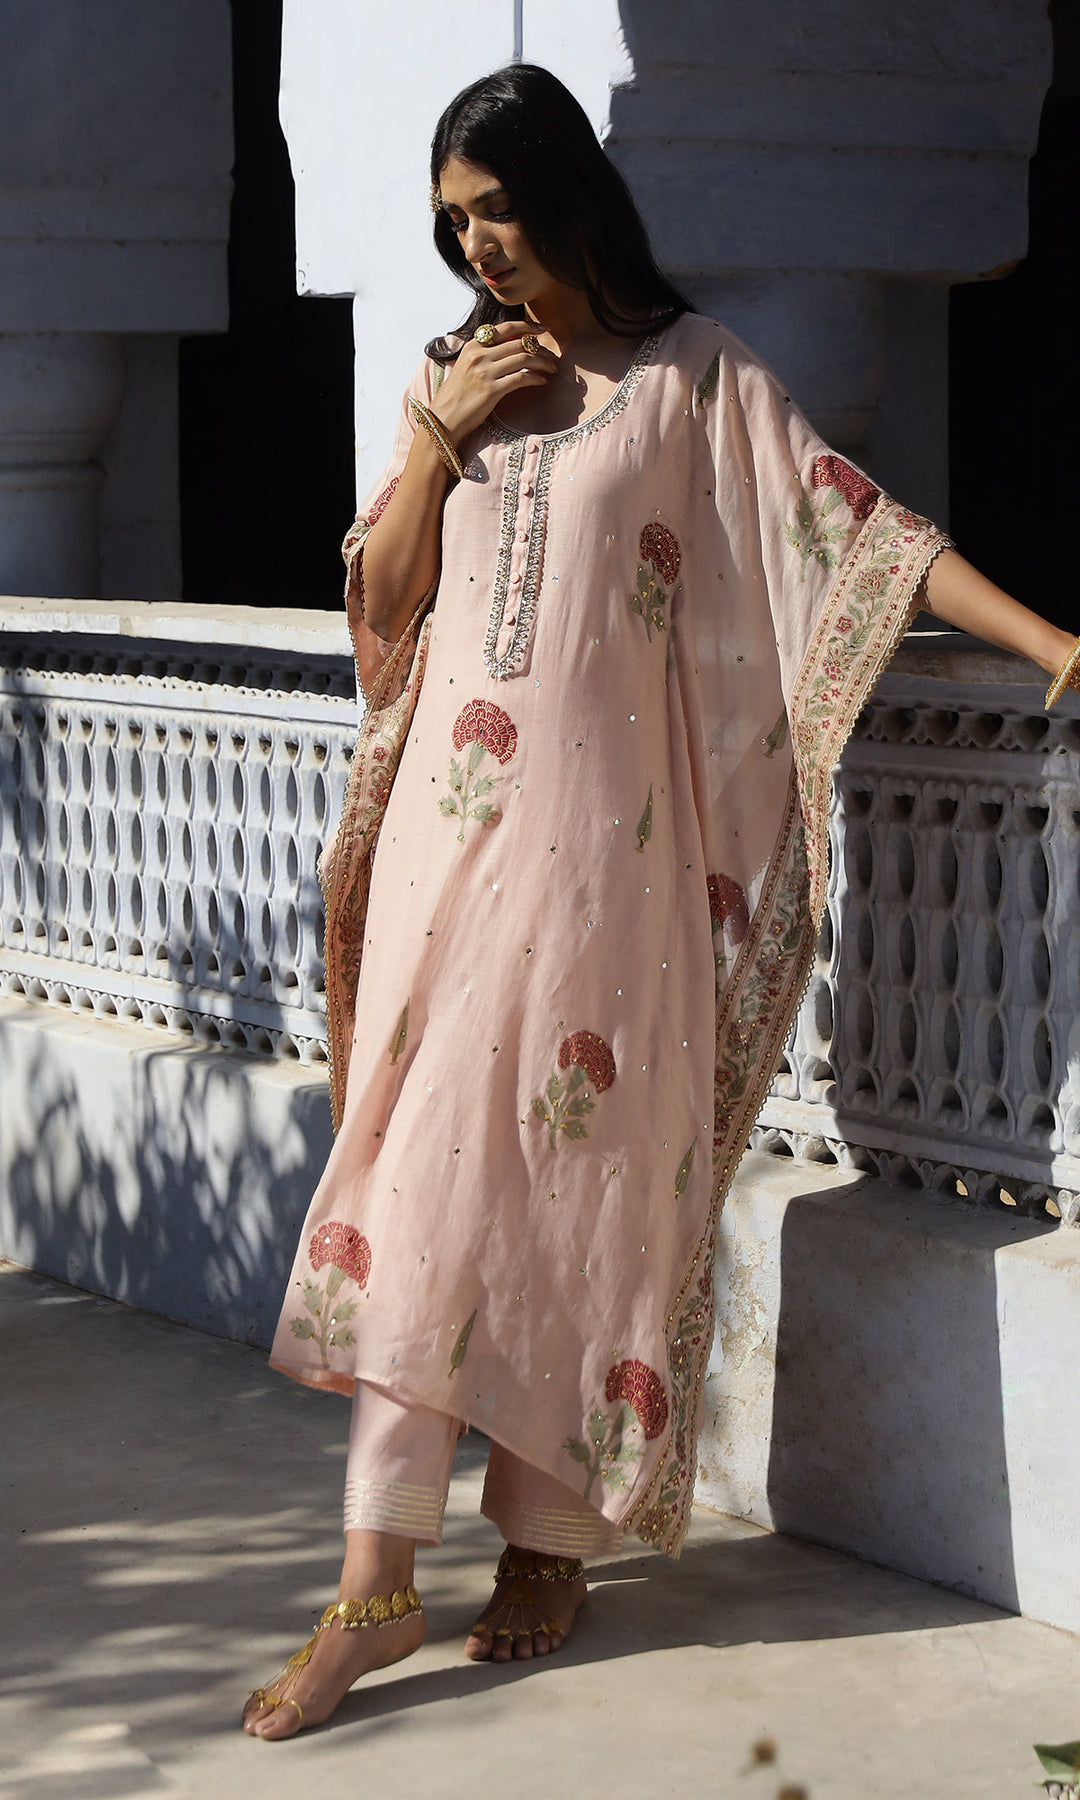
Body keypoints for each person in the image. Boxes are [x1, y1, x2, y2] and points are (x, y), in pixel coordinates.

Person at [242, 64, 1077, 1740]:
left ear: (567, 194)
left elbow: (859, 535)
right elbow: (385, 608)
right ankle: (373, 1583)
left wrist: (1053, 641)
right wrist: (431, 443)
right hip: (448, 859)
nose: (477, 245)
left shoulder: (697, 378)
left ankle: (546, 1544)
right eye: (454, 220)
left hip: (609, 874)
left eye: (498, 208)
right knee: (419, 1186)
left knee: (586, 1185)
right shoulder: (454, 383)